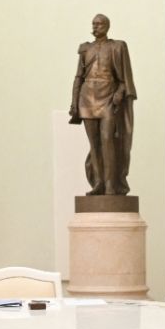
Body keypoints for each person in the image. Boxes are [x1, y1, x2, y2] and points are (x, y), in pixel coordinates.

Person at [69, 13, 137, 195]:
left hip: (108, 97)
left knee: (107, 139)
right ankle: (98, 183)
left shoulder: (117, 46)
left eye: (99, 24)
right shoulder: (85, 49)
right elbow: (78, 77)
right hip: (87, 98)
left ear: (107, 26)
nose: (95, 26)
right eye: (94, 23)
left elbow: (124, 79)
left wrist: (119, 93)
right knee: (94, 143)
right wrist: (74, 103)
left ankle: (110, 184)